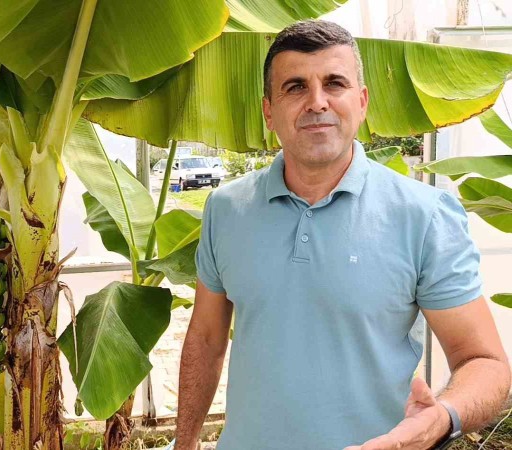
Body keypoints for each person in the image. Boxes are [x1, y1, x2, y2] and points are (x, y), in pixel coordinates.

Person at [174, 20, 510, 450]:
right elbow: (205, 339)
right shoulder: (226, 209)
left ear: (362, 101)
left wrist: (441, 419)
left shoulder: (423, 215)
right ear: (268, 112)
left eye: (335, 83)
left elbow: (484, 361)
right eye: (295, 87)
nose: (317, 102)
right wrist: (184, 443)